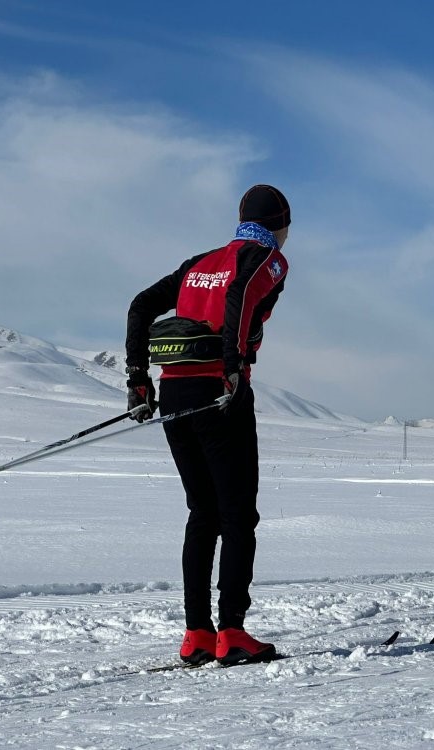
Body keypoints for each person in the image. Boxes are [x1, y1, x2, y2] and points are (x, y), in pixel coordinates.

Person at [125, 184, 290, 665]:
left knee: (203, 513)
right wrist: (233, 367)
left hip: (175, 392)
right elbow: (240, 294)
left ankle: (197, 631)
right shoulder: (267, 258)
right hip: (221, 394)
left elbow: (140, 304)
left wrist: (138, 378)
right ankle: (232, 632)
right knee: (238, 515)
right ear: (280, 224)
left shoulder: (198, 262)